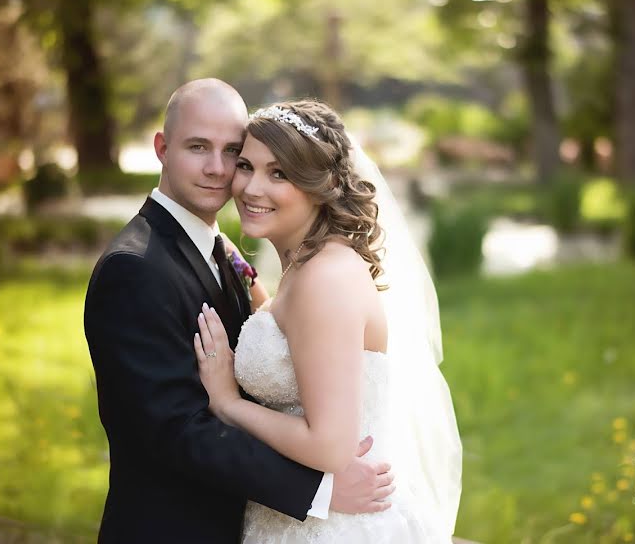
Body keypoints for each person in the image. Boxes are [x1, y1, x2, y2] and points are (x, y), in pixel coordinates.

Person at [84, 80, 394, 544]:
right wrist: (318, 491)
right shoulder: (135, 268)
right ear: (162, 149)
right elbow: (174, 430)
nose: (218, 169)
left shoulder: (226, 254)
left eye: (232, 152)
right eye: (197, 147)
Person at [192, 99, 462, 542]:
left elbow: (331, 446)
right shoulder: (308, 266)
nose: (252, 188)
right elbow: (293, 336)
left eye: (279, 173)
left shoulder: (325, 279)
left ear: (324, 184)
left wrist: (228, 404)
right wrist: (245, 278)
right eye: (246, 166)